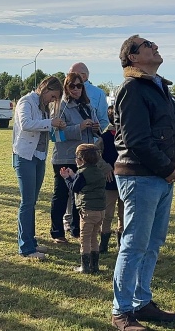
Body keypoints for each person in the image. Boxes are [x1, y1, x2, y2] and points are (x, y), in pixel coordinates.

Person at [111, 35, 175, 331]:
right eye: (147, 45)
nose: (155, 46)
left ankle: (142, 301)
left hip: (160, 176)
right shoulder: (132, 88)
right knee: (134, 244)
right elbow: (136, 139)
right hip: (140, 176)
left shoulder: (159, 87)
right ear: (132, 57)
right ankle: (122, 311)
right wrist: (168, 168)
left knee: (153, 243)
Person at [12, 76, 64, 260]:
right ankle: (25, 247)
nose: (53, 100)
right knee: (27, 202)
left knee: (31, 201)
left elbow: (43, 128)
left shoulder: (43, 107)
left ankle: (30, 241)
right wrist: (50, 123)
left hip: (39, 156)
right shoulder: (26, 102)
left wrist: (55, 126)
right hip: (25, 155)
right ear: (45, 88)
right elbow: (26, 124)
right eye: (53, 96)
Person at [50, 73, 100, 244]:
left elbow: (93, 127)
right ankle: (57, 232)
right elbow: (57, 133)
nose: (76, 89)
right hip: (64, 157)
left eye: (79, 86)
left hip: (83, 159)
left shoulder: (87, 105)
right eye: (72, 86)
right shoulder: (61, 106)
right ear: (66, 87)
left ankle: (76, 229)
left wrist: (94, 127)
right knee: (62, 195)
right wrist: (80, 126)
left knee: (80, 194)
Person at [60, 144, 107, 274]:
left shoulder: (82, 173)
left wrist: (67, 178)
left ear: (81, 159)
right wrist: (74, 175)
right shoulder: (98, 171)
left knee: (85, 239)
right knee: (94, 237)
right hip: (100, 211)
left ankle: (85, 267)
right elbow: (85, 183)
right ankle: (95, 266)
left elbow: (75, 188)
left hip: (88, 211)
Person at [99, 105, 123, 254]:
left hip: (125, 179)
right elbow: (94, 154)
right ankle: (104, 244)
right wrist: (105, 166)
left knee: (124, 214)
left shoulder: (128, 135)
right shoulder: (104, 137)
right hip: (110, 181)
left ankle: (121, 243)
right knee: (107, 214)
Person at [69, 62, 110, 131]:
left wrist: (96, 130)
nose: (68, 77)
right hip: (69, 140)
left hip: (91, 140)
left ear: (83, 76)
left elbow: (103, 120)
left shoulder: (98, 93)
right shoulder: (64, 92)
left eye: (72, 74)